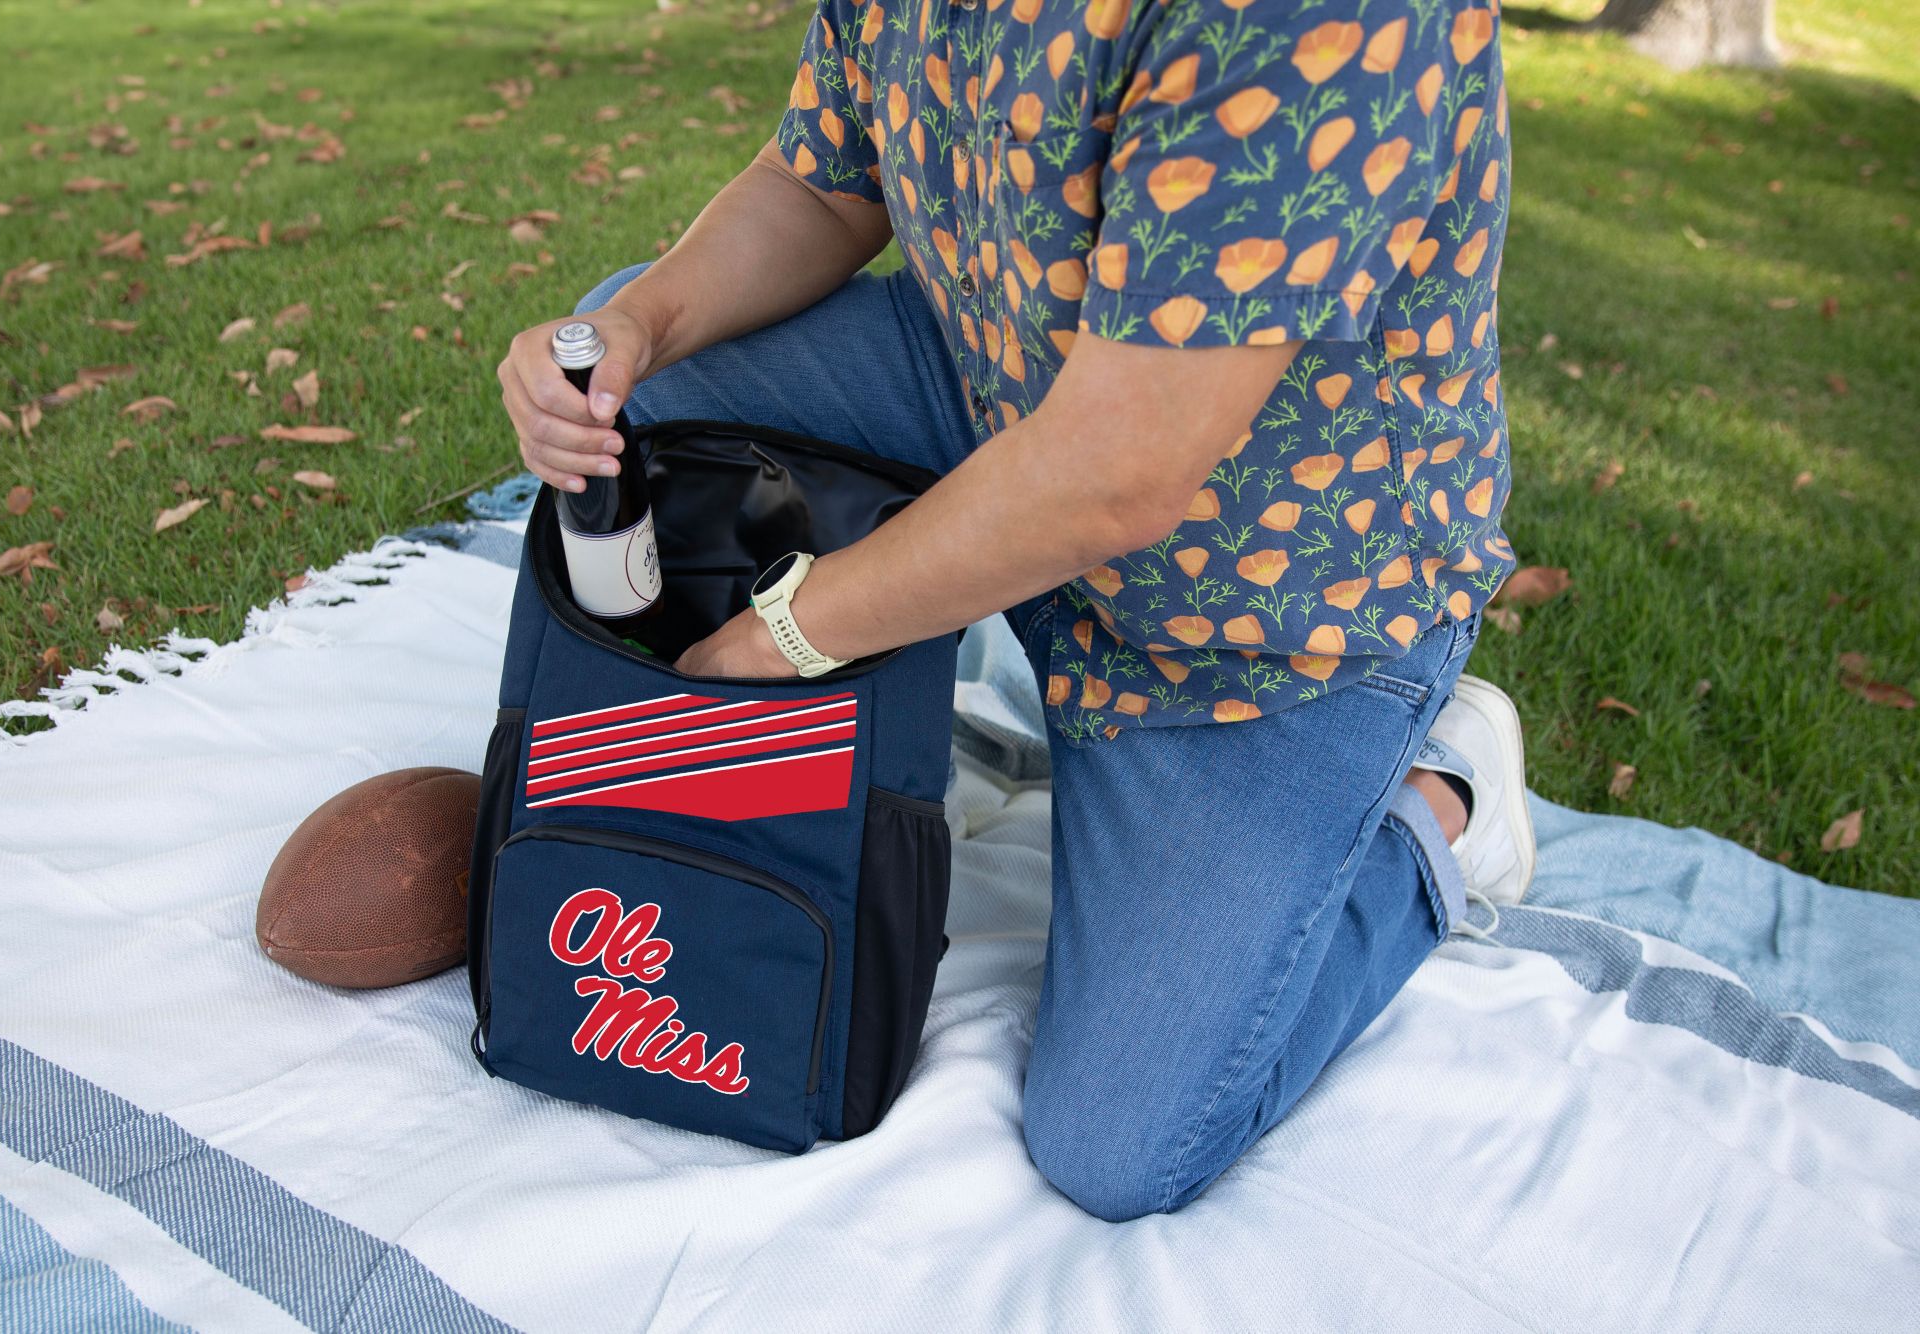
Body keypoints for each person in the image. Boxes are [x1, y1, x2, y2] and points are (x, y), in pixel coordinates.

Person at [496, 0, 1532, 1222]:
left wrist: (791, 627)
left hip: (1269, 612)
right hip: (991, 398)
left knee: (1120, 1145)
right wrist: (630, 330)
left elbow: (1114, 476)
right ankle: (859, 714)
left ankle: (1441, 792)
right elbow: (821, 185)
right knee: (643, 390)